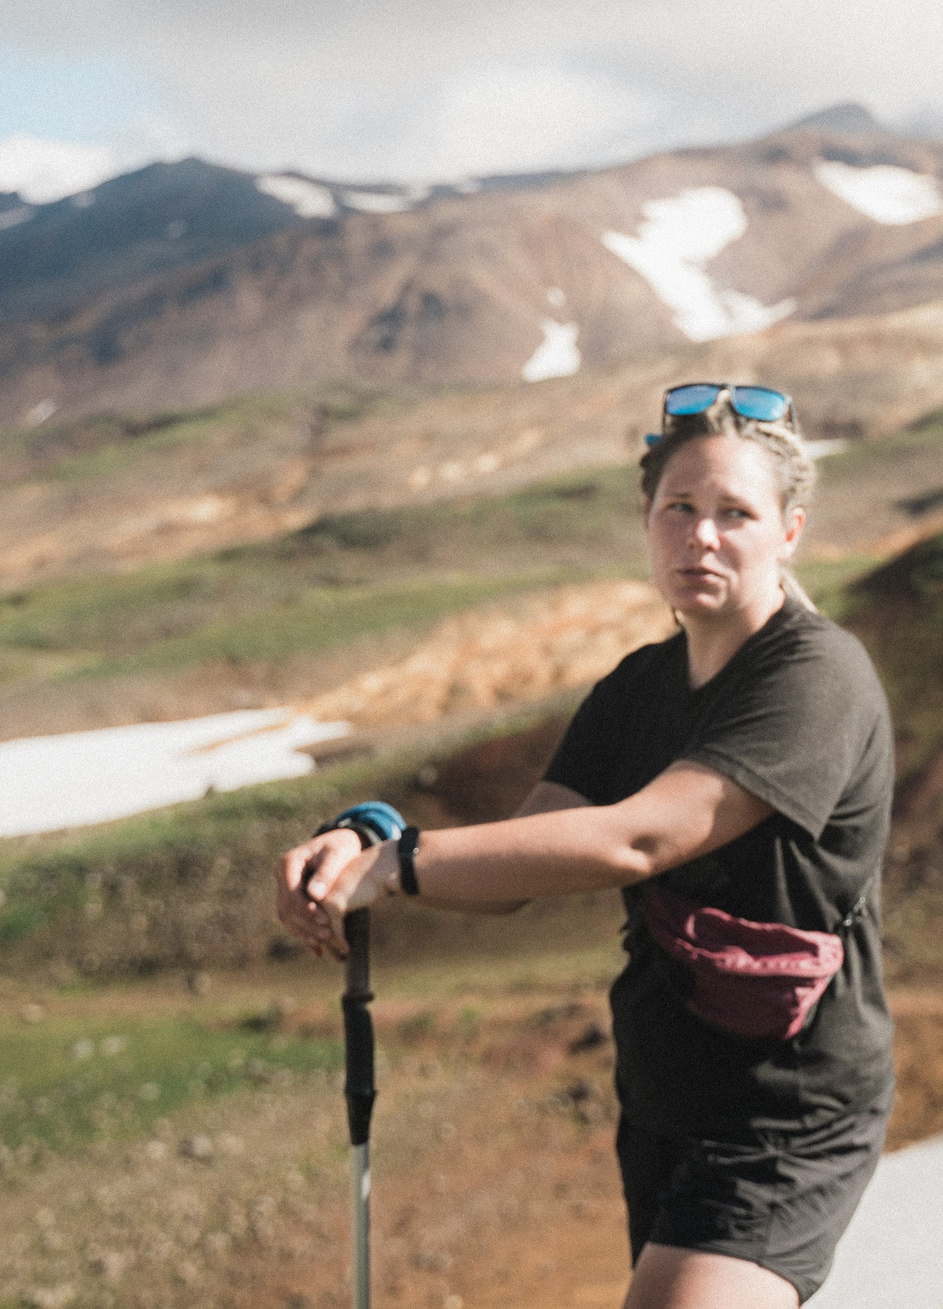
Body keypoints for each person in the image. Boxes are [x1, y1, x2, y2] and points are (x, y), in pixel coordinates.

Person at [276, 384, 895, 1309]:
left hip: (785, 1105)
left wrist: (398, 865)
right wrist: (376, 837)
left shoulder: (815, 676)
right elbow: (512, 872)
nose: (702, 536)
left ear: (790, 531)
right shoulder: (636, 688)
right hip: (662, 1092)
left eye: (735, 513)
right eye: (678, 509)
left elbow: (641, 837)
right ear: (645, 519)